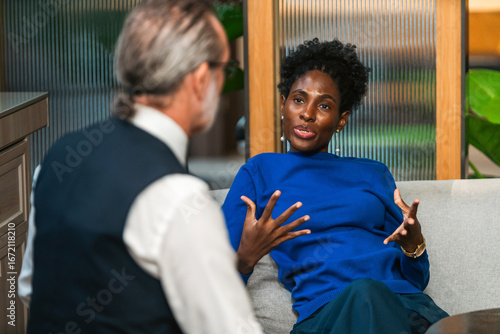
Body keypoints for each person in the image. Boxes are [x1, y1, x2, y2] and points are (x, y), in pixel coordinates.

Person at [18, 1, 263, 333]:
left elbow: (31, 289)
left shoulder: (56, 157)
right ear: (201, 78)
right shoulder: (178, 197)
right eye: (224, 70)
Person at [222, 38, 449, 334]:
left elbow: (416, 280)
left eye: (324, 105)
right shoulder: (260, 171)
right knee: (366, 294)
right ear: (283, 105)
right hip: (328, 317)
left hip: (411, 309)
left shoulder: (374, 173)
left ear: (341, 121)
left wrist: (414, 245)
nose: (308, 113)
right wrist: (245, 259)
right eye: (299, 99)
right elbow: (213, 280)